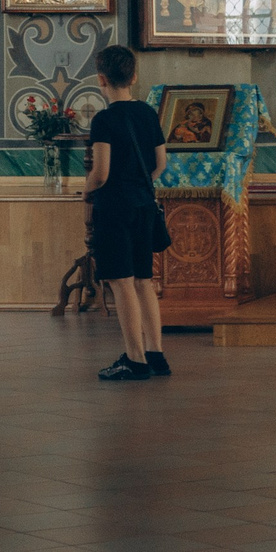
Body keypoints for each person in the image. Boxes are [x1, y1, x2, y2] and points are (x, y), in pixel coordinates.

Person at [82, 44, 170, 382]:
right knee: (144, 281)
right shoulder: (148, 114)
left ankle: (134, 360)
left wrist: (87, 189)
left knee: (121, 282)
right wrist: (137, 182)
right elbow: (161, 164)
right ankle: (156, 354)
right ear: (134, 77)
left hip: (115, 210)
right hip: (144, 206)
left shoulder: (104, 120)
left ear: (101, 79)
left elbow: (101, 172)